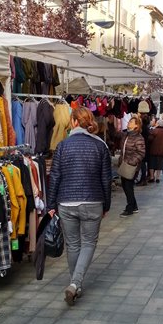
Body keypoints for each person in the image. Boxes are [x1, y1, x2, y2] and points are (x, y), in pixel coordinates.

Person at [47, 107, 112, 306]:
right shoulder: (100, 146)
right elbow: (106, 178)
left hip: (66, 201)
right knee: (89, 243)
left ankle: (75, 285)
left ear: (74, 122)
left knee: (73, 245)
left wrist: (51, 204)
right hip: (93, 200)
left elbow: (55, 176)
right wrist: (106, 204)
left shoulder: (63, 145)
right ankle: (75, 284)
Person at [118, 116, 145, 217]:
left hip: (131, 166)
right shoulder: (126, 135)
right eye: (129, 121)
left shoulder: (139, 137)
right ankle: (134, 206)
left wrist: (131, 162)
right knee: (125, 186)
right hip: (124, 164)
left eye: (131, 121)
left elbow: (141, 153)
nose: (129, 122)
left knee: (128, 186)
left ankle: (129, 208)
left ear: (136, 125)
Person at [147, 119, 163, 183]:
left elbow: (149, 139)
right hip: (162, 151)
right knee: (159, 165)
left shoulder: (154, 131)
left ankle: (152, 177)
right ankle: (157, 178)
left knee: (152, 164)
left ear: (157, 124)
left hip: (153, 150)